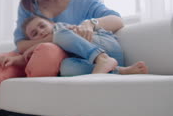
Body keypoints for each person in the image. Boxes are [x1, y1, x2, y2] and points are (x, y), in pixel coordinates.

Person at [19, 15, 148, 75]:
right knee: (65, 68)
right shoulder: (54, 48)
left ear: (52, 23)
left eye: (42, 26)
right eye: (34, 33)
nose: (41, 31)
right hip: (104, 65)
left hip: (106, 45)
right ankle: (120, 71)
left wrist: (33, 46)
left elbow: (57, 36)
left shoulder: (61, 29)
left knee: (59, 35)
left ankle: (102, 58)